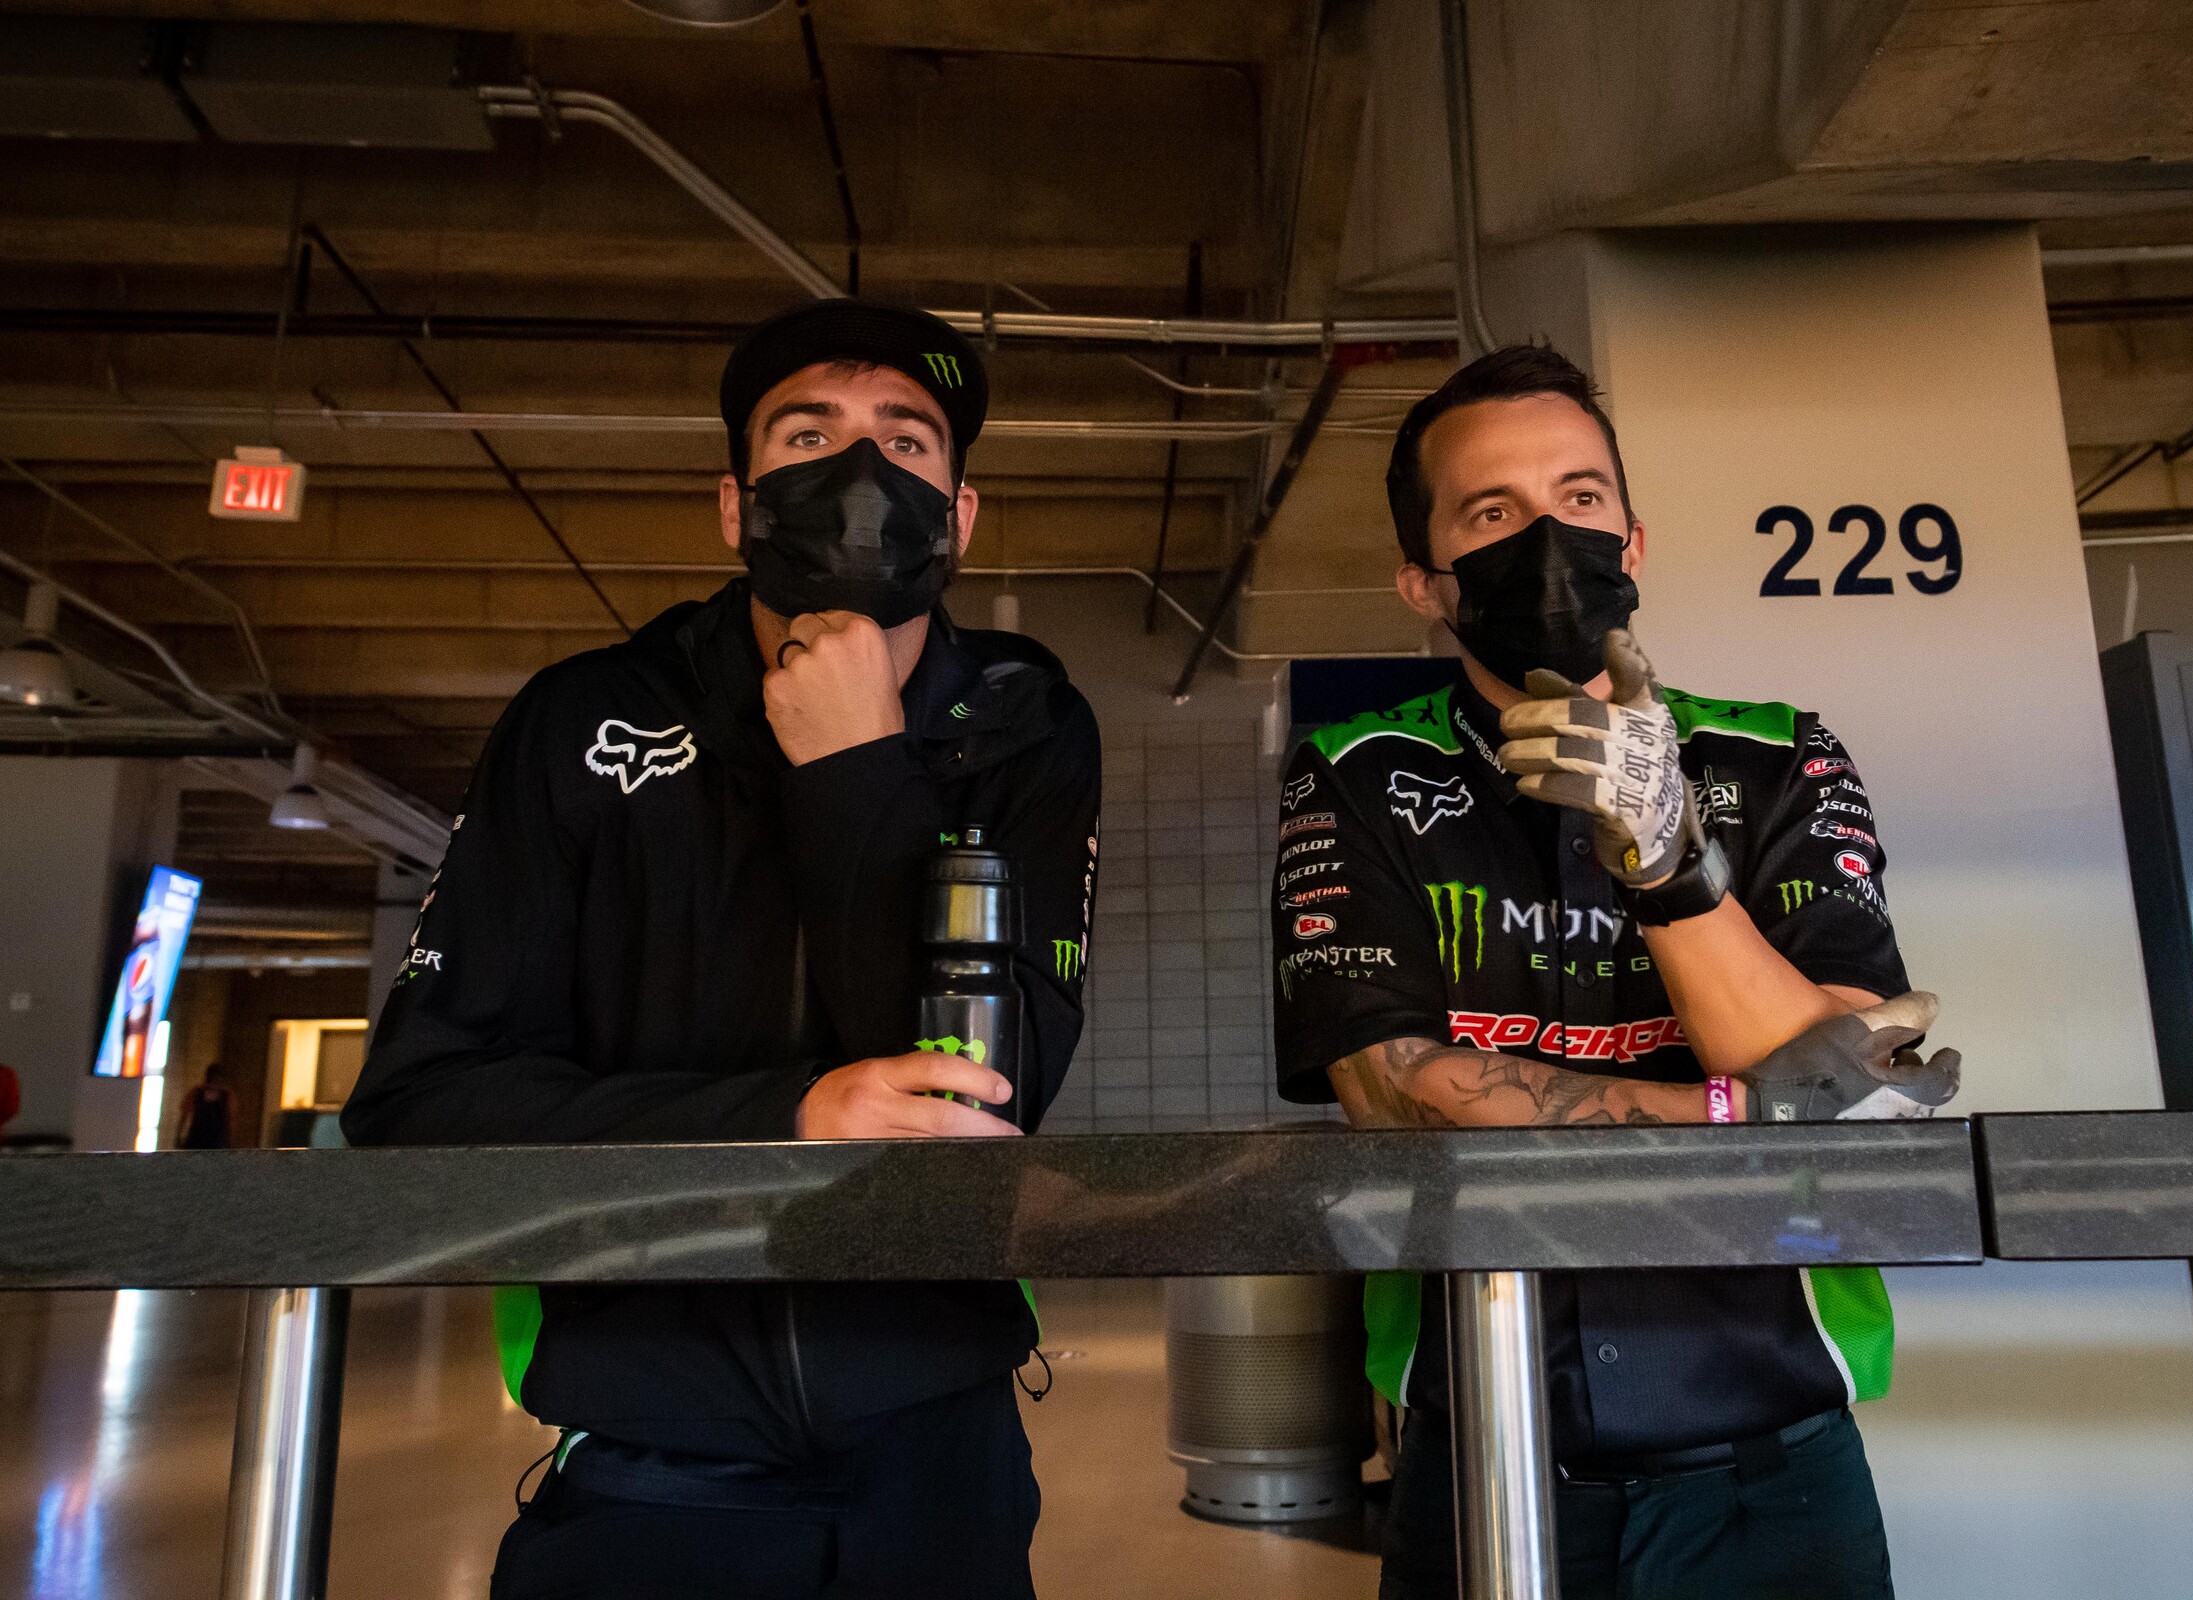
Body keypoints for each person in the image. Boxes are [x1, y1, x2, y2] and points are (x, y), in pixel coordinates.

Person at [343, 301, 1102, 1600]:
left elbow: (998, 1087)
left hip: (941, 1439)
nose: (859, 474)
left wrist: (858, 770)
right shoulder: (585, 723)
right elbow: (420, 1101)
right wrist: (789, 1113)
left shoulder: (1025, 720)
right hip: (651, 1449)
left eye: (906, 442)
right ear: (737, 505)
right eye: (809, 435)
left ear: (963, 515)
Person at [1271, 345, 1960, 1600]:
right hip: (1478, 1442)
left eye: (1580, 499)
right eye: (1492, 512)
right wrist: (1730, 1110)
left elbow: (1848, 1075)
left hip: (1774, 1459)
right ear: (1423, 582)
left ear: (1631, 539)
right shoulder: (1354, 771)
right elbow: (1391, 1087)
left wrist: (1668, 860)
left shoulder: (1776, 756)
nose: (1546, 536)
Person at [177, 1062, 236, 1149]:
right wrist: (179, 1135)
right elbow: (185, 1115)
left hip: (217, 1142)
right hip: (196, 1140)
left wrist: (229, 1141)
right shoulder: (196, 1093)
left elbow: (231, 1120)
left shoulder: (227, 1096)